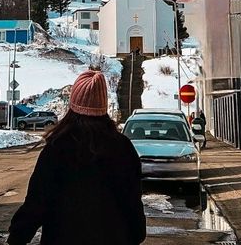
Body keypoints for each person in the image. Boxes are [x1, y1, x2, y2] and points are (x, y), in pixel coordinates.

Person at [8, 70, 146, 245]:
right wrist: (135, 233)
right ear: (103, 106)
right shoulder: (122, 147)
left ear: (73, 104)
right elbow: (132, 201)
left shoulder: (57, 148)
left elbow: (37, 201)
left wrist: (18, 236)